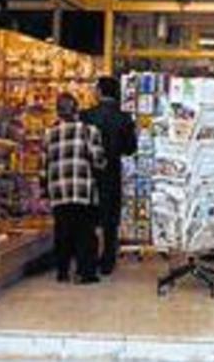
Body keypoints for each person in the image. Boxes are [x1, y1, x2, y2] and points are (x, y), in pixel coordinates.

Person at [42, 92, 106, 285]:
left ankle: (62, 271)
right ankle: (85, 272)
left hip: (58, 190)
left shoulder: (49, 133)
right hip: (81, 189)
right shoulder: (89, 130)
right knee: (84, 232)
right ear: (77, 109)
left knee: (62, 231)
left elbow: (43, 164)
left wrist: (44, 188)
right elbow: (98, 160)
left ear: (58, 111)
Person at [79, 76, 139, 276]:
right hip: (112, 171)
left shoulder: (86, 116)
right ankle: (108, 261)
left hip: (88, 172)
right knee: (110, 219)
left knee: (88, 217)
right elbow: (131, 148)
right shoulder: (124, 118)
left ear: (100, 91)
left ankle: (87, 258)